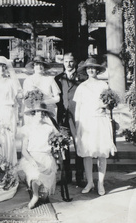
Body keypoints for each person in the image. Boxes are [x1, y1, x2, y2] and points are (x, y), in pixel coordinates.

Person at [73, 57, 117, 196]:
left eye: (93, 68)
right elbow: (78, 107)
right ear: (86, 70)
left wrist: (106, 105)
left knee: (101, 153)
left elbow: (110, 104)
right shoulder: (81, 87)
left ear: (97, 70)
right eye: (88, 68)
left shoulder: (104, 85)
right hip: (87, 122)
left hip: (100, 120)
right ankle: (90, 182)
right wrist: (78, 125)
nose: (91, 70)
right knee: (87, 154)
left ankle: (100, 183)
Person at [55, 52, 88, 187]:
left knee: (79, 144)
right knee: (63, 147)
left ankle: (79, 176)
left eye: (71, 62)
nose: (68, 64)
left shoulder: (82, 79)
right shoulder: (58, 78)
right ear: (63, 63)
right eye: (66, 62)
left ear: (75, 63)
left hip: (77, 116)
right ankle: (66, 176)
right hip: (63, 117)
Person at [18, 101, 58, 209]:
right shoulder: (28, 128)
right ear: (33, 114)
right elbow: (24, 151)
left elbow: (56, 144)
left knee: (44, 197)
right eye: (37, 112)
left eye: (42, 113)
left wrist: (57, 146)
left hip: (46, 156)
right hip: (32, 157)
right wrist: (31, 161)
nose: (40, 115)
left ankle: (42, 191)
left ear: (45, 115)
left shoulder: (49, 128)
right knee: (34, 172)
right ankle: (35, 195)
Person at [23, 55, 60, 119]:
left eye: (41, 65)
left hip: (47, 111)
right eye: (36, 65)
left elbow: (57, 98)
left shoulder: (50, 79)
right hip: (32, 111)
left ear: (44, 67)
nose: (39, 67)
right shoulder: (28, 80)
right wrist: (31, 103)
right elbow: (25, 97)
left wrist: (43, 102)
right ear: (33, 67)